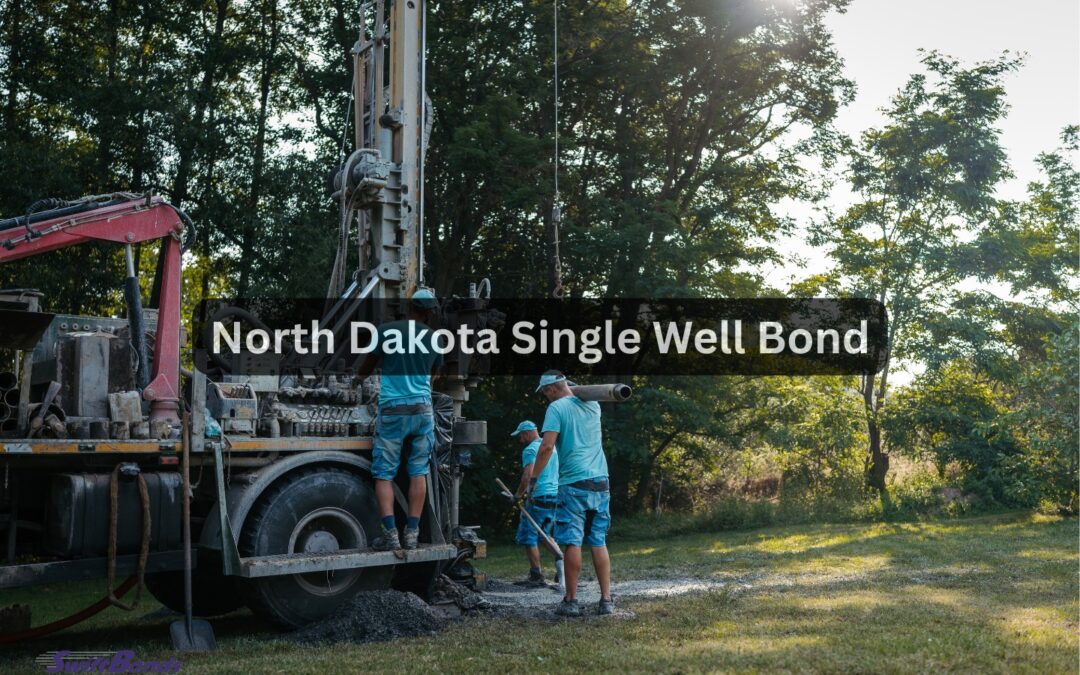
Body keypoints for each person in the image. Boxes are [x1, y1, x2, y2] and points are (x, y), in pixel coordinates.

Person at [356, 289, 443, 551]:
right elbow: (434, 374)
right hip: (423, 410)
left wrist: (356, 380)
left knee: (384, 474)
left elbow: (367, 365)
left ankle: (390, 535)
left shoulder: (386, 330)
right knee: (418, 472)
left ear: (409, 306)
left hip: (393, 410)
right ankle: (412, 535)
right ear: (429, 313)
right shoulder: (435, 338)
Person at [530, 370, 614, 617]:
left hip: (573, 482)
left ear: (551, 389)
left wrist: (534, 478)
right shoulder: (593, 404)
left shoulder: (556, 408)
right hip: (600, 480)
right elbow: (573, 394)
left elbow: (546, 447)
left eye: (545, 393)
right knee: (598, 540)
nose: (546, 397)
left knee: (573, 541)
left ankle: (571, 600)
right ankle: (606, 600)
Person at [509, 420, 560, 587]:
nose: (520, 439)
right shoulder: (552, 448)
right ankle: (563, 567)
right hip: (554, 496)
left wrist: (517, 496)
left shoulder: (530, 450)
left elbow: (527, 476)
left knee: (529, 535)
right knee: (545, 535)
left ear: (529, 432)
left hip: (538, 497)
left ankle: (536, 576)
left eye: (522, 435)